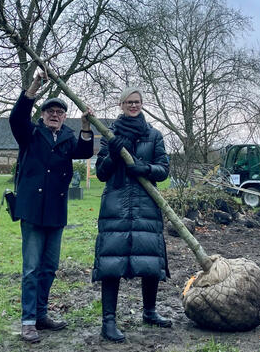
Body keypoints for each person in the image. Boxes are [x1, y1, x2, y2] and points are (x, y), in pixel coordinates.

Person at [9, 69, 94, 343]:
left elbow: (85, 150)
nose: (54, 115)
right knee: (31, 269)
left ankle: (42, 314)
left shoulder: (69, 139)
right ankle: (28, 321)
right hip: (32, 212)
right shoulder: (30, 134)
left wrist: (85, 125)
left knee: (49, 268)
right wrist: (34, 85)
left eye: (59, 112)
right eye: (50, 111)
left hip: (56, 213)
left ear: (64, 116)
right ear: (42, 115)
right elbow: (17, 117)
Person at [92, 87, 171, 343]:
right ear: (121, 104)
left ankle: (149, 312)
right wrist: (114, 154)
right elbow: (101, 173)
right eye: (129, 102)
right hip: (116, 204)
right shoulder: (109, 134)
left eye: (137, 102)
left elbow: (164, 170)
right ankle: (109, 321)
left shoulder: (154, 135)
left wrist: (145, 168)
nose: (133, 106)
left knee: (148, 259)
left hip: (146, 204)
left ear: (142, 104)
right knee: (111, 261)